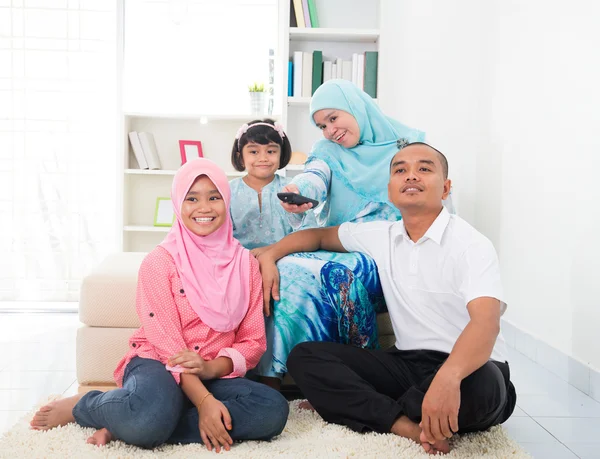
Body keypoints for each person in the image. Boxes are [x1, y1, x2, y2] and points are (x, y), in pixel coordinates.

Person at [257, 143, 516, 455]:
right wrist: (271, 253)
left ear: (445, 188)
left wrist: (449, 378)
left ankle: (372, 405)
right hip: (406, 363)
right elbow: (318, 236)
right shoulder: (382, 235)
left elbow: (486, 324)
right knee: (305, 358)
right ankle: (405, 423)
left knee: (484, 388)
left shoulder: (471, 244)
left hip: (470, 366)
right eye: (400, 170)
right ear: (390, 190)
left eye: (424, 168)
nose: (411, 176)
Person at [30, 159, 289, 452]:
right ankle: (89, 405)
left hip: (213, 371)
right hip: (158, 365)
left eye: (214, 197)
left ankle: (128, 422)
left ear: (225, 201)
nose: (204, 208)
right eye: (192, 198)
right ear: (178, 204)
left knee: (272, 410)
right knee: (149, 417)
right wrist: (204, 401)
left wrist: (210, 370)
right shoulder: (160, 262)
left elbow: (252, 341)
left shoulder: (245, 265)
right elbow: (167, 345)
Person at [255, 79, 426, 380]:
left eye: (333, 118)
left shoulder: (409, 147)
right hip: (338, 243)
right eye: (321, 125)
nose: (329, 131)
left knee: (335, 274)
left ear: (355, 107)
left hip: (386, 253)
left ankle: (366, 374)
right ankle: (277, 375)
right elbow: (315, 176)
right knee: (290, 269)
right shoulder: (328, 151)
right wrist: (300, 191)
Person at [229, 118, 315, 387]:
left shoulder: (291, 190)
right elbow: (220, 236)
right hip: (238, 263)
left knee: (283, 288)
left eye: (271, 151)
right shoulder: (226, 191)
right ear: (241, 156)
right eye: (254, 151)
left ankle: (273, 374)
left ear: (281, 154)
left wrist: (272, 254)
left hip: (285, 261)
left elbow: (308, 232)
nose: (263, 158)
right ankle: (240, 369)